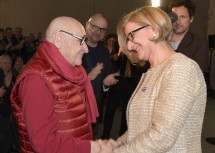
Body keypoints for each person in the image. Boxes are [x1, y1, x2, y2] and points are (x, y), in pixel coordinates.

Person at [103, 6, 207, 152]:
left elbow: (161, 138)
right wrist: (116, 144)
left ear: (153, 30)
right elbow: (142, 126)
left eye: (131, 35)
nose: (129, 45)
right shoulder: (152, 71)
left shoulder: (181, 68)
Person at [10, 16, 113, 153]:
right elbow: (44, 144)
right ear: (59, 39)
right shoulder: (36, 79)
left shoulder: (69, 69)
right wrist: (91, 147)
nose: (86, 49)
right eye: (81, 40)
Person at [83, 14, 118, 123]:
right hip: (77, 107)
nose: (98, 32)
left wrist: (105, 84)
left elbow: (105, 78)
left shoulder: (104, 51)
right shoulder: (75, 47)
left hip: (96, 107)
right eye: (95, 27)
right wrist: (89, 77)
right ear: (87, 25)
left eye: (103, 30)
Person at [168, 0, 209, 73]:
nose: (177, 22)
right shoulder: (161, 39)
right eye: (175, 16)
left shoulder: (199, 43)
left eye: (182, 17)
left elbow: (196, 74)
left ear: (191, 19)